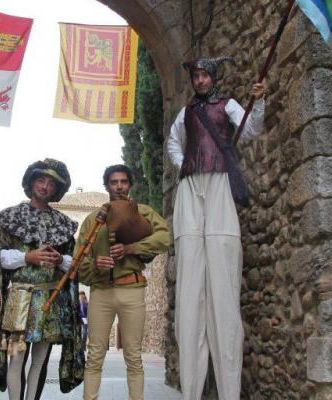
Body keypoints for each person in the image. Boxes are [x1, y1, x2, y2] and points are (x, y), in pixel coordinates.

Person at [166, 57, 266, 400]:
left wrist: (260, 100)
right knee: (191, 278)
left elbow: (250, 129)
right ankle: (191, 391)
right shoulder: (186, 113)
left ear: (214, 77)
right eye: (196, 75)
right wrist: (183, 165)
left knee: (223, 271)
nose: (200, 80)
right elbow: (173, 143)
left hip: (221, 183)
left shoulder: (229, 105)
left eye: (204, 74)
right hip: (191, 187)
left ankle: (228, 392)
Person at [0, 158, 83, 400]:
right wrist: (27, 257)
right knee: (17, 359)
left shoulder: (63, 224)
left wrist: (59, 260)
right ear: (31, 183)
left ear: (56, 190)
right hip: (20, 298)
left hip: (51, 299)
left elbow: (74, 263)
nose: (45, 186)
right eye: (41, 180)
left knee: (40, 360)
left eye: (51, 183)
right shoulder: (10, 217)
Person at [78, 164, 170, 400]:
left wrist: (132, 248)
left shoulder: (144, 212)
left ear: (129, 185)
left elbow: (164, 238)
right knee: (95, 355)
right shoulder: (91, 220)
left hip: (132, 290)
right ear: (106, 186)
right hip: (101, 292)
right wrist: (96, 264)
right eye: (113, 182)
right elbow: (79, 263)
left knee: (133, 356)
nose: (119, 186)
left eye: (123, 182)